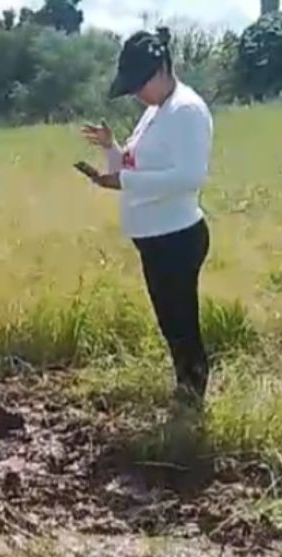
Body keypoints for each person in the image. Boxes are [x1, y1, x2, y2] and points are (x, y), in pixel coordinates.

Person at [80, 27, 215, 409]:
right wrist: (111, 149)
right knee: (171, 322)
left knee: (181, 323)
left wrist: (122, 180)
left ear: (161, 70)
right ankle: (185, 390)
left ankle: (192, 401)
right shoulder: (156, 112)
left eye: (141, 84)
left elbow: (190, 176)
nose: (137, 94)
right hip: (155, 238)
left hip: (177, 236)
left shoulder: (186, 110)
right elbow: (131, 166)